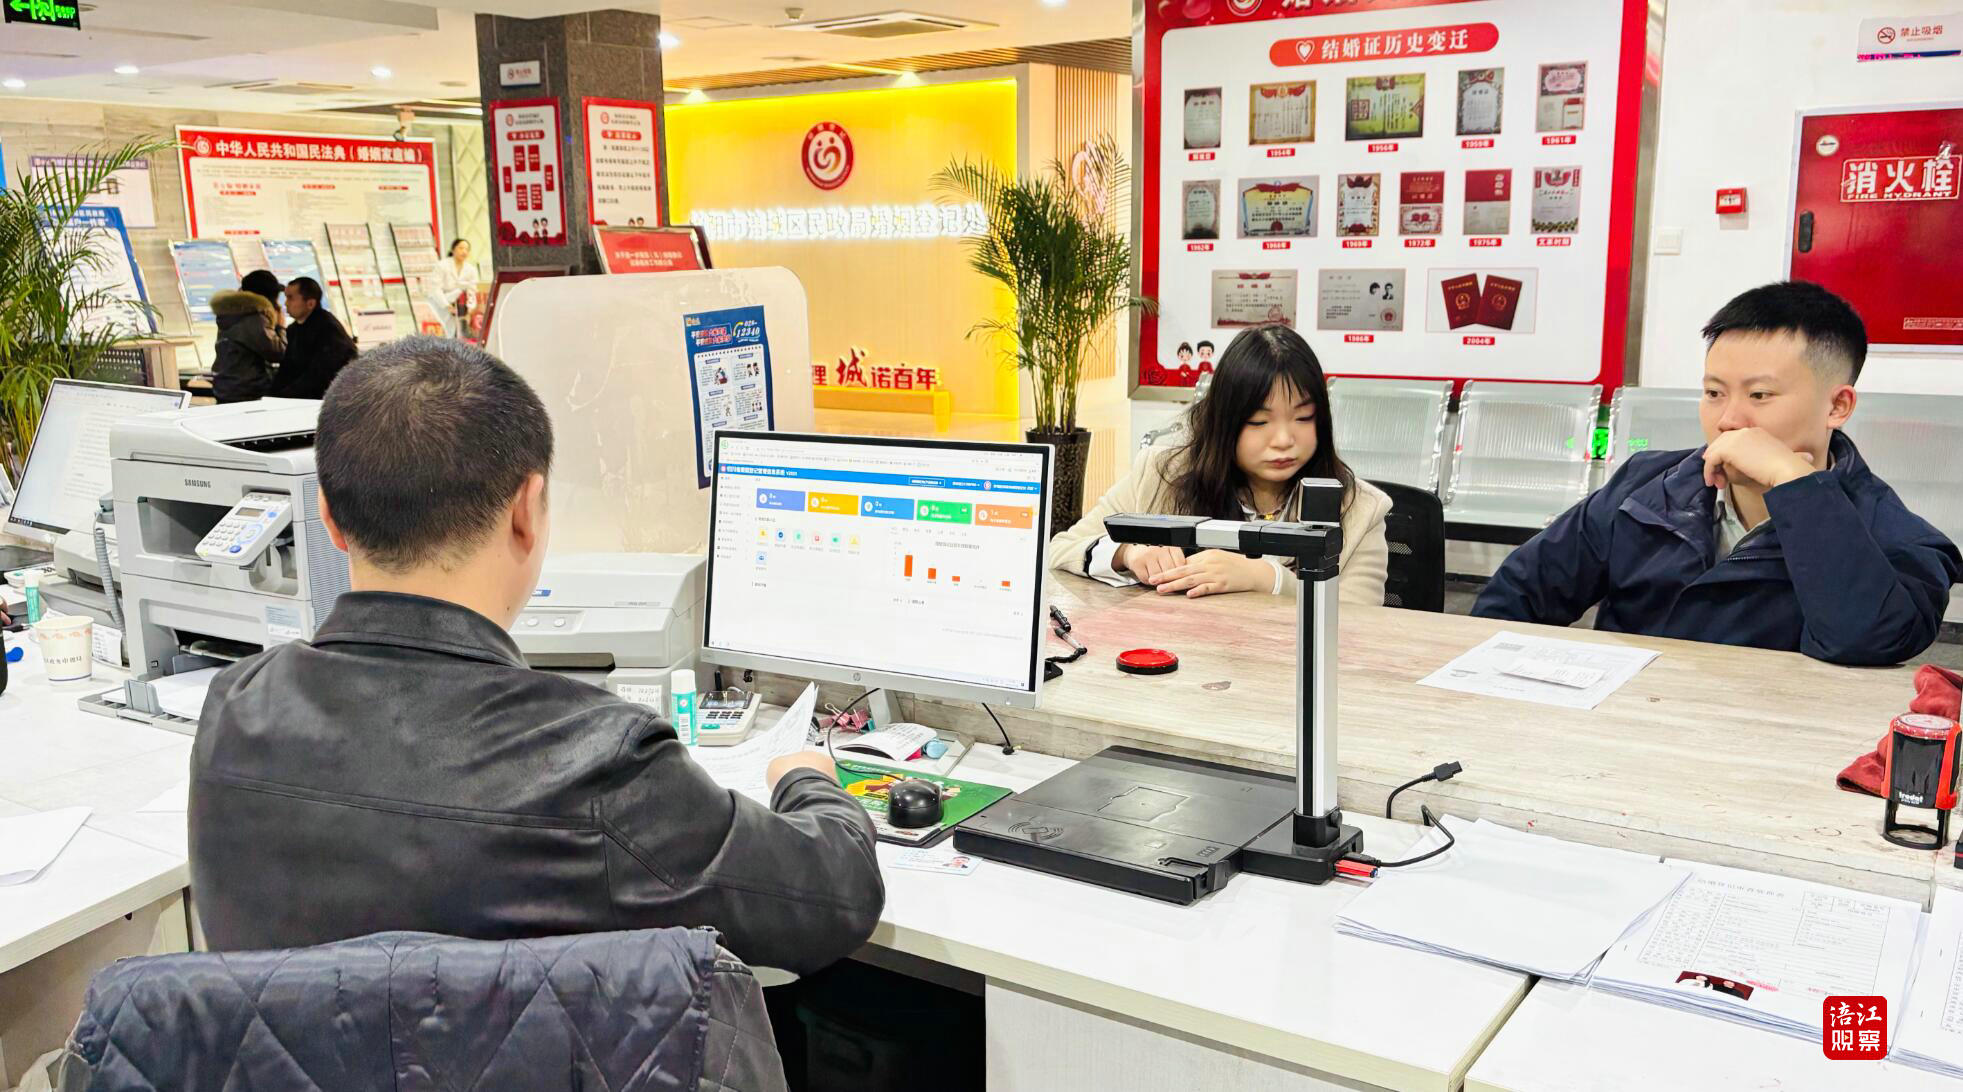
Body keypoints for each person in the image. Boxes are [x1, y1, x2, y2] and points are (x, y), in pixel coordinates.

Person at [189, 337, 884, 973]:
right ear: (527, 510)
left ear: (330, 519)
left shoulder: (234, 711)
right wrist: (806, 779)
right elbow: (834, 898)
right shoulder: (597, 757)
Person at [1474, 280, 1960, 666]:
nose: (1728, 420)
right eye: (1713, 393)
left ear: (1837, 406)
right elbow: (1517, 594)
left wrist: (1795, 484)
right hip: (1625, 729)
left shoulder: (1900, 538)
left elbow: (1866, 644)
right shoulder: (1648, 485)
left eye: (1760, 395)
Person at [1049, 325, 1391, 604]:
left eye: (1303, 418)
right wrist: (1127, 553)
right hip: (1185, 659)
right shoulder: (1161, 474)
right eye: (1259, 422)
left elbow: (1362, 623)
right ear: (1224, 422)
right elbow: (1061, 550)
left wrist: (1268, 579)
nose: (1284, 439)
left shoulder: (1359, 508)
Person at [270, 276, 357, 399]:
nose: (286, 303)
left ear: (310, 303)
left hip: (329, 396)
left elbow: (322, 371)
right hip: (304, 395)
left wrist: (286, 394)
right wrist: (274, 394)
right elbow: (288, 367)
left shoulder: (328, 328)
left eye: (290, 298)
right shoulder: (293, 329)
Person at [208, 283, 285, 403]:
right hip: (248, 391)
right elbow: (278, 352)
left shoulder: (231, 314)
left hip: (228, 387)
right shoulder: (254, 318)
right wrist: (281, 327)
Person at [433, 237, 479, 337]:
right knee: (448, 330)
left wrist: (470, 307)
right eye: (461, 248)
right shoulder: (442, 266)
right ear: (453, 249)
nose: (464, 251)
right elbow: (435, 289)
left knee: (461, 331)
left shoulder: (471, 269)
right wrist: (446, 305)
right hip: (442, 302)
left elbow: (472, 290)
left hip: (461, 304)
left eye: (467, 249)